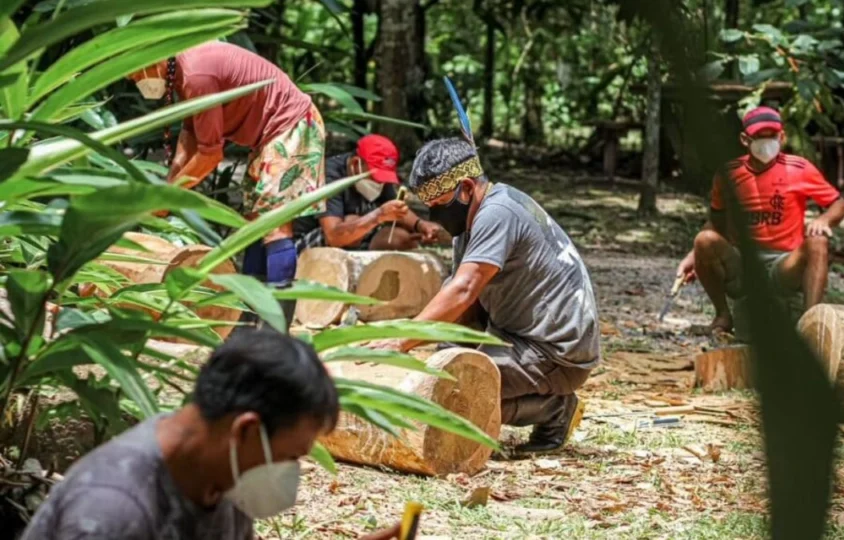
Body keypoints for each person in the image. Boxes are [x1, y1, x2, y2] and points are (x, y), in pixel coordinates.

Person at [21, 329, 400, 540]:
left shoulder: (219, 472)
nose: (291, 472)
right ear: (247, 430)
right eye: (290, 457)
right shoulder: (115, 513)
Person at [373, 138, 601, 456]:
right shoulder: (471, 221)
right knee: (443, 383)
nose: (435, 214)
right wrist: (445, 356)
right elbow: (466, 301)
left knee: (454, 399)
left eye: (439, 203)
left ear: (466, 187)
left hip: (557, 351)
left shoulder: (497, 213)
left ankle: (554, 408)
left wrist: (400, 340)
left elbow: (464, 289)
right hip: (520, 336)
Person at [129, 41, 325, 327]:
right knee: (255, 227)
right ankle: (248, 318)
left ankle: (275, 328)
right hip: (269, 134)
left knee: (274, 228)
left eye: (136, 75)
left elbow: (211, 153)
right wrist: (169, 187)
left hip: (291, 125)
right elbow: (190, 134)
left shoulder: (196, 75)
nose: (136, 81)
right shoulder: (184, 74)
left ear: (154, 59)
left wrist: (170, 198)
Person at [676, 106, 844, 334]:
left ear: (782, 137)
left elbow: (841, 204)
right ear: (745, 139)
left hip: (785, 263)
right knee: (704, 240)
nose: (766, 142)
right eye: (759, 137)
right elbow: (716, 223)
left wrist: (824, 220)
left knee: (818, 242)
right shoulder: (729, 174)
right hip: (743, 264)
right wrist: (695, 254)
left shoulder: (799, 169)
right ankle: (722, 316)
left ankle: (811, 325)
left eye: (772, 136)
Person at [293, 134, 444, 252]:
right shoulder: (329, 176)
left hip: (354, 239)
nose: (380, 184)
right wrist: (378, 216)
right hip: (307, 244)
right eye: (375, 177)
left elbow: (396, 207)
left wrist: (420, 225)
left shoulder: (378, 180)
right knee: (352, 221)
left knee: (400, 239)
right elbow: (333, 236)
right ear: (355, 164)